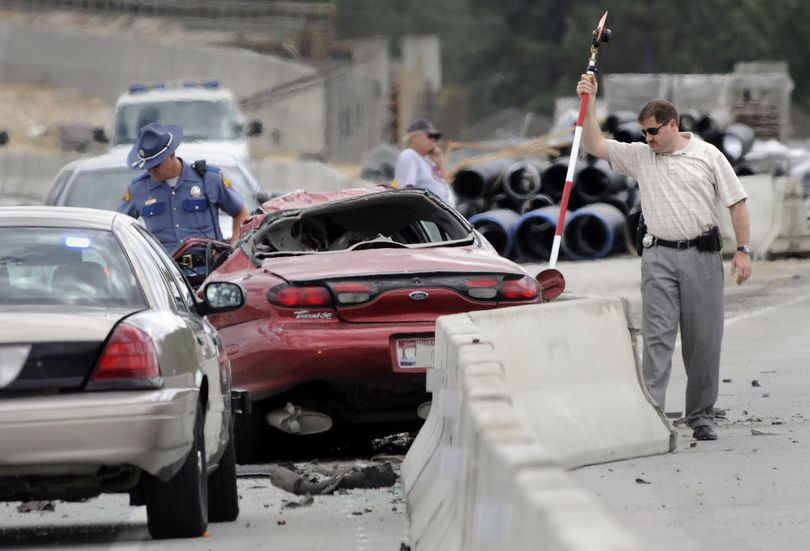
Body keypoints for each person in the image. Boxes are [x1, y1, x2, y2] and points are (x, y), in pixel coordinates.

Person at [576, 75, 752, 441]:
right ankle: (653, 414)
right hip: (658, 257)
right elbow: (593, 144)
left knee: (703, 340)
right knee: (657, 337)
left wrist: (743, 251)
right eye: (644, 133)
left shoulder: (708, 156)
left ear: (673, 125)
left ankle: (701, 415)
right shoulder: (642, 157)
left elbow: (737, 202)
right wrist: (589, 101)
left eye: (654, 131)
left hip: (701, 257)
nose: (648, 139)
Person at [117, 122, 249, 272]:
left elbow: (241, 212)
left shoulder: (209, 179)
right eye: (147, 166)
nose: (151, 171)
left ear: (172, 154)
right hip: (165, 276)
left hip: (208, 272)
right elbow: (119, 226)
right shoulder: (138, 189)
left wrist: (234, 248)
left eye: (156, 165)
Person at [393, 118, 456, 208]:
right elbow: (407, 192)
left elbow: (446, 189)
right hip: (428, 216)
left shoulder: (428, 161)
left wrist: (440, 163)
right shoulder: (410, 155)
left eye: (435, 137)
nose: (433, 140)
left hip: (441, 215)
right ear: (414, 138)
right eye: (430, 136)